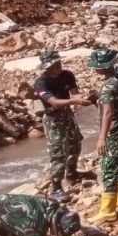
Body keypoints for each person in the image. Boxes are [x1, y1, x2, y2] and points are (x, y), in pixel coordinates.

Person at [34, 51, 92, 203]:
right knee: (58, 153)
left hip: (68, 116)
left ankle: (72, 173)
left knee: (75, 144)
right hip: (53, 120)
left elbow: (75, 93)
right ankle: (56, 188)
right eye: (55, 65)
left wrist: (84, 98)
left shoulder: (67, 75)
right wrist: (74, 101)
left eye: (59, 63)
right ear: (47, 68)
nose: (59, 67)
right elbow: (54, 102)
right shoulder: (41, 83)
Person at [87, 48, 118, 223]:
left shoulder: (107, 86)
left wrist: (102, 138)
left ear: (102, 67)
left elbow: (108, 113)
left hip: (115, 131)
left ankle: (108, 210)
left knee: (108, 168)